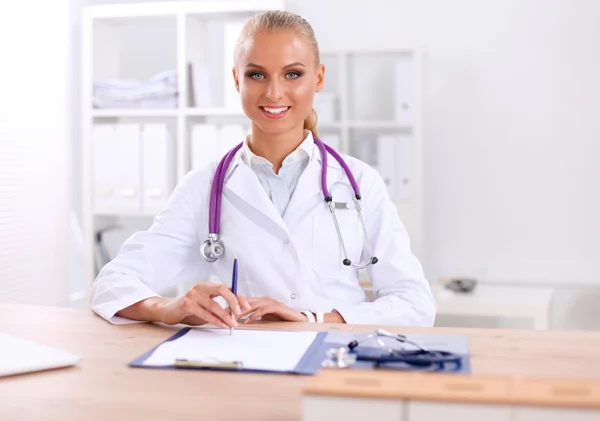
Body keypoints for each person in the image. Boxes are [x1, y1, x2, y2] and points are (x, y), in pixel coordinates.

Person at [90, 10, 436, 327]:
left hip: (336, 360)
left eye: (292, 74)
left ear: (318, 78)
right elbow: (112, 283)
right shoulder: (204, 187)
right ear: (237, 80)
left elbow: (414, 302)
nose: (274, 92)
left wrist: (314, 318)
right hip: (246, 366)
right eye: (257, 74)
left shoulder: (359, 182)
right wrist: (168, 308)